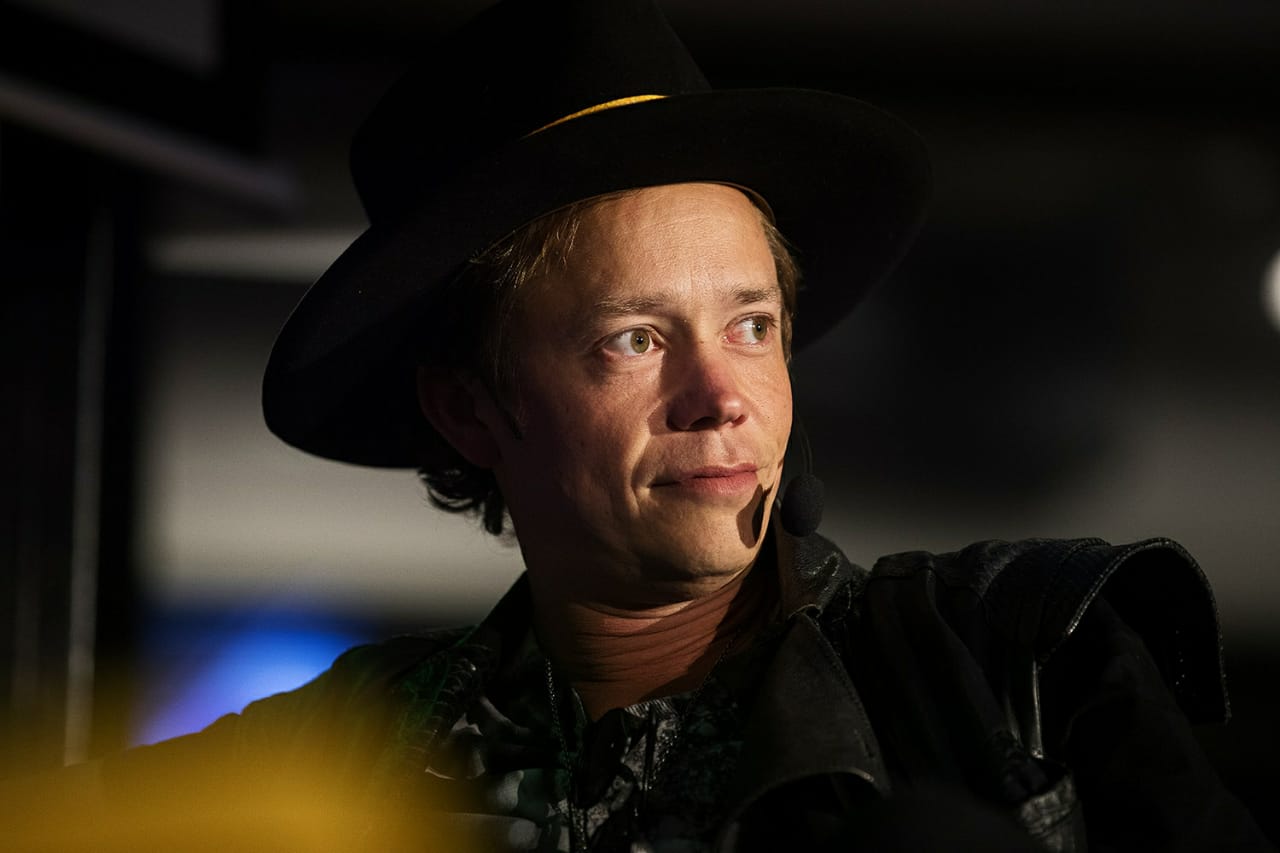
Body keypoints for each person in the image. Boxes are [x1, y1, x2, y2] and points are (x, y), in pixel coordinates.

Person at [3, 0, 1271, 850]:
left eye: (751, 324)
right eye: (634, 338)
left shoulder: (1018, 663)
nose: (723, 394)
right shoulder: (341, 755)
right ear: (468, 406)